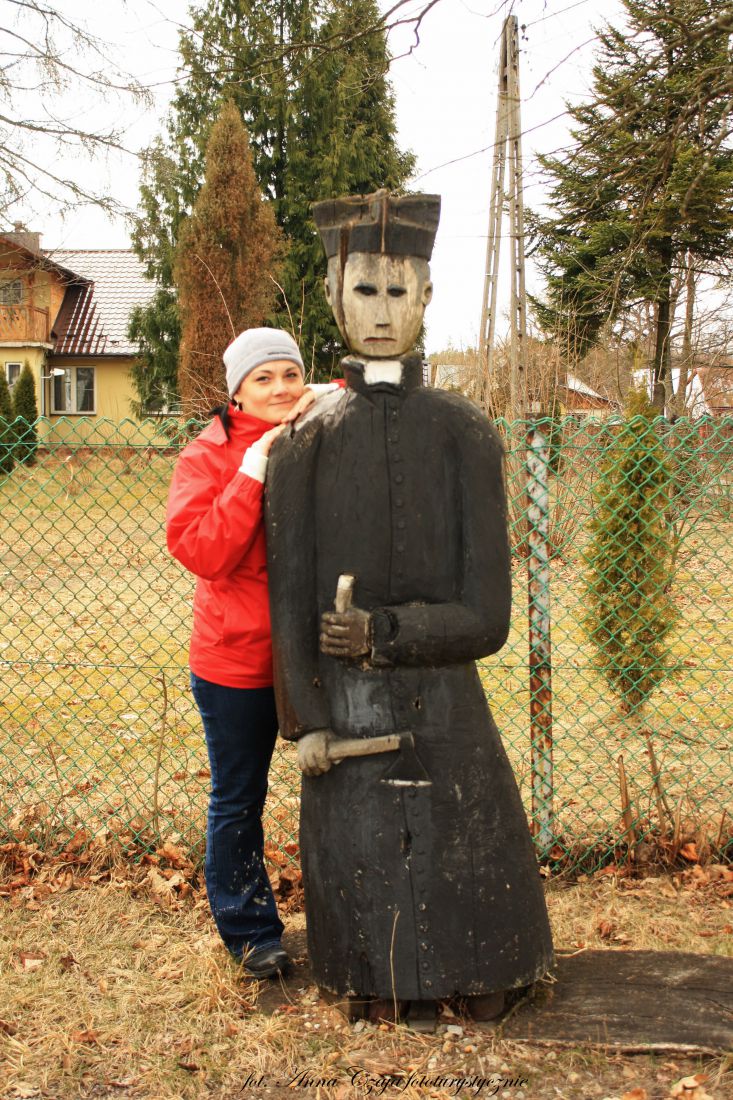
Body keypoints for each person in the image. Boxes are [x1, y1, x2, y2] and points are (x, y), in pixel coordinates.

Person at [265, 191, 554, 1023]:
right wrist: (306, 720)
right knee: (360, 853)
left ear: (426, 296)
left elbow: (488, 616)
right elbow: (288, 598)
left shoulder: (464, 433)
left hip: (449, 705)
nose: (382, 312)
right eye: (365, 290)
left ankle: (484, 972)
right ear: (333, 295)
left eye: (398, 291)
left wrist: (383, 633)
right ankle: (369, 975)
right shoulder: (302, 443)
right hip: (344, 713)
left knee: (467, 845)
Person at [166, 327, 341, 980]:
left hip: (321, 656)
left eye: (290, 374)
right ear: (235, 391)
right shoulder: (206, 457)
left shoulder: (316, 426)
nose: (279, 388)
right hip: (237, 660)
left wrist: (327, 391)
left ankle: (351, 914)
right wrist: (253, 467)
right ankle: (251, 933)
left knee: (343, 782)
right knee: (239, 799)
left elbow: (372, 387)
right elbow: (202, 552)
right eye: (262, 378)